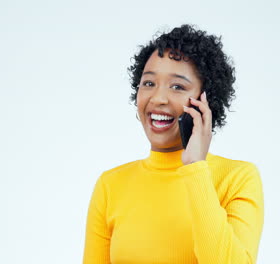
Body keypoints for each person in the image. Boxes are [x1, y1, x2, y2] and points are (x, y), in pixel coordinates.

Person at [82, 24, 264, 264]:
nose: (158, 98)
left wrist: (196, 169)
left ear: (205, 101)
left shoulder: (237, 179)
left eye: (177, 86)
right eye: (148, 83)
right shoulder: (110, 185)